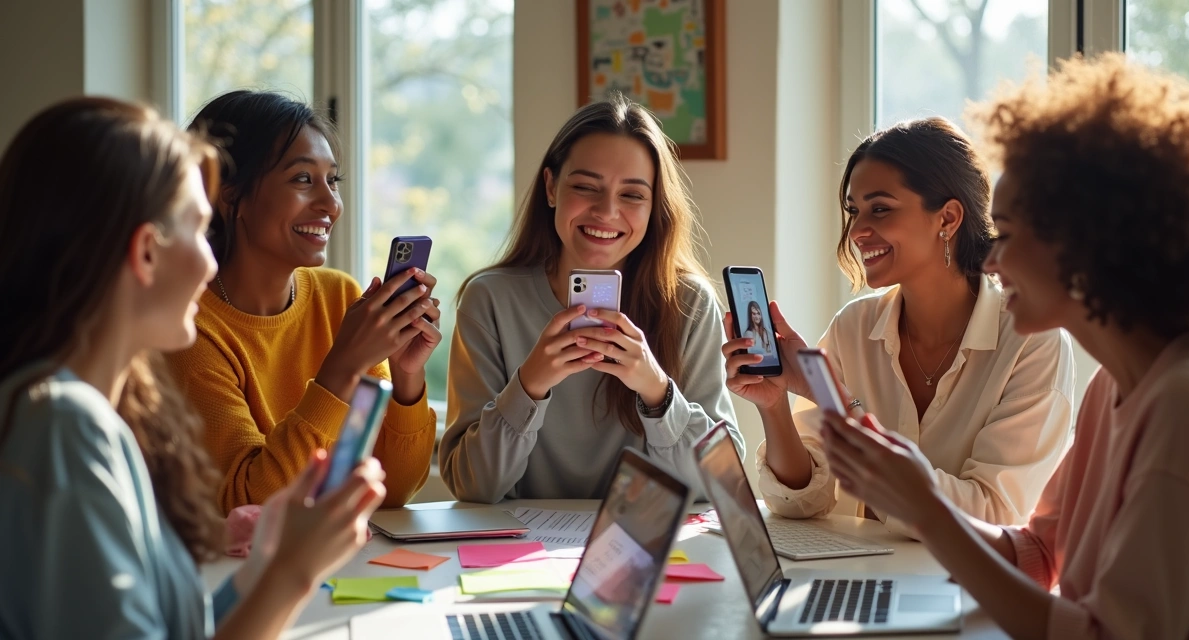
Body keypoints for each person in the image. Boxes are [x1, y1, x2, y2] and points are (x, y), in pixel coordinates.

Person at [821, 54, 1189, 639]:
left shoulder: (1185, 402)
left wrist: (927, 509)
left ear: (1081, 245)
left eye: (1007, 235)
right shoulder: (1116, 383)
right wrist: (917, 499)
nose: (995, 259)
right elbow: (1038, 553)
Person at [0, 97, 385, 639]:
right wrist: (292, 572)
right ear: (146, 253)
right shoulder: (63, 428)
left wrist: (270, 555)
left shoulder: (95, 414)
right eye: (199, 227)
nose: (211, 259)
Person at [723, 116, 1074, 537]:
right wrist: (774, 404)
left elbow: (993, 514)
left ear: (947, 218)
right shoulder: (853, 328)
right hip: (863, 576)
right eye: (854, 211)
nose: (857, 231)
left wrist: (835, 400)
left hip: (968, 590)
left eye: (881, 209)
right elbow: (802, 502)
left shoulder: (1031, 341)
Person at [441, 94, 742, 503]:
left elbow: (724, 484)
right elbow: (473, 486)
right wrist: (529, 385)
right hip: (518, 558)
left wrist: (656, 391)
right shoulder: (490, 300)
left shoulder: (689, 303)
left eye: (632, 195)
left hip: (644, 553)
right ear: (551, 187)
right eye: (585, 187)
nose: (606, 211)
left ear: (655, 206)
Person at [167, 91, 440, 512]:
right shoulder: (189, 329)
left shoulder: (339, 298)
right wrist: (342, 367)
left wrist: (406, 377)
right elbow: (251, 504)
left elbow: (394, 488)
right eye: (302, 179)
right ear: (228, 194)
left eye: (333, 181)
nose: (331, 205)